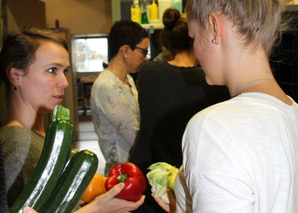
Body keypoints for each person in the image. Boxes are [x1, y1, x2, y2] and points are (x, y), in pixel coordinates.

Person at [156, 0, 298, 212]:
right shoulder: (292, 113)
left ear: (214, 28)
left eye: (194, 37)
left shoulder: (213, 128)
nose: (195, 52)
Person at [0, 28, 144, 212]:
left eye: (64, 71)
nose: (64, 82)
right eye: (52, 70)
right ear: (15, 75)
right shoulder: (17, 143)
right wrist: (96, 209)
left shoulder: (42, 135)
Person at [129, 8, 229, 212]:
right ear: (196, 42)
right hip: (180, 184)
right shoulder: (211, 83)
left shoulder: (147, 72)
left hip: (144, 177)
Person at [90, 20, 149, 176]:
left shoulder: (127, 79)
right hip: (121, 175)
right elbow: (135, 135)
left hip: (133, 169)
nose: (146, 58)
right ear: (125, 50)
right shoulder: (106, 85)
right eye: (143, 51)